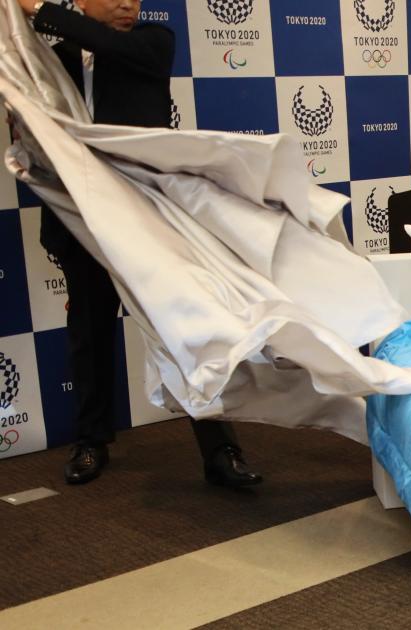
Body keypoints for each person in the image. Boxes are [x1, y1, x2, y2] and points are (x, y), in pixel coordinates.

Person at [17, 0, 262, 487]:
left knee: (183, 334)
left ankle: (220, 450)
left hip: (145, 221)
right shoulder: (53, 61)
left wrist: (38, 9)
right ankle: (91, 442)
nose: (129, 2)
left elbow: (103, 42)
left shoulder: (152, 43)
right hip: (82, 222)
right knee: (89, 334)